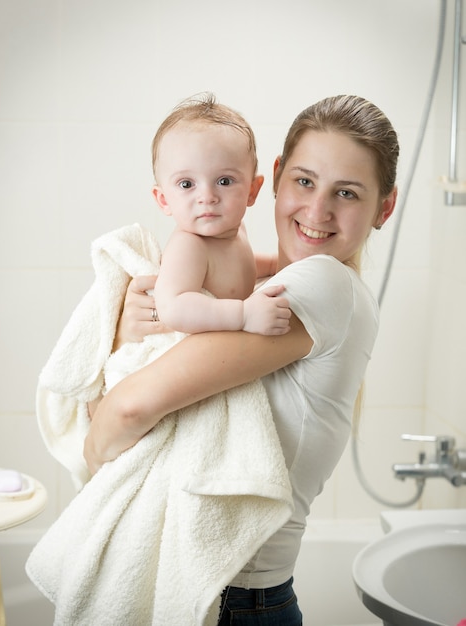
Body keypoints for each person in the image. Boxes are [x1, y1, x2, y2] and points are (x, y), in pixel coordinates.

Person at [84, 94, 399, 625]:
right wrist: (140, 318)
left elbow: (130, 410)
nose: (317, 211)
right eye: (304, 181)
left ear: (383, 209)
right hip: (239, 596)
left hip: (234, 600)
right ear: (273, 180)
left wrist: (96, 465)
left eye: (345, 193)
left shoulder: (320, 283)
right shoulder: (276, 281)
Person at [150, 93, 290, 336]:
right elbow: (173, 307)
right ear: (164, 200)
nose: (207, 196)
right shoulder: (189, 246)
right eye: (186, 184)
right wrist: (243, 315)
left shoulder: (234, 231)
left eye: (224, 181)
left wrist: (274, 265)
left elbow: (227, 264)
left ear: (252, 190)